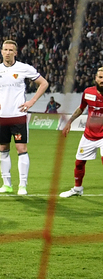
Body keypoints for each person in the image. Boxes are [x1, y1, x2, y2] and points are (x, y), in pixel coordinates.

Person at [0, 39, 49, 196]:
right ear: (1, 51)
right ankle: (6, 184)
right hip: (2, 116)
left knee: (21, 149)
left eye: (11, 50)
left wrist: (31, 101)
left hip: (18, 115)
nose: (7, 52)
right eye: (5, 49)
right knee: (3, 148)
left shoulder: (24, 68)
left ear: (16, 53)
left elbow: (43, 83)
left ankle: (23, 186)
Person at [58, 66, 103, 198]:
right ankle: (77, 189)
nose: (102, 80)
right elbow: (81, 108)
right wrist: (69, 122)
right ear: (95, 78)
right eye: (100, 77)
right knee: (79, 163)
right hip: (89, 135)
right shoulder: (88, 92)